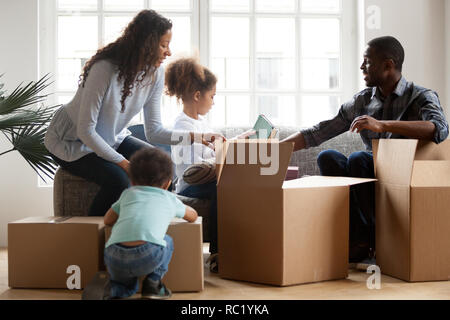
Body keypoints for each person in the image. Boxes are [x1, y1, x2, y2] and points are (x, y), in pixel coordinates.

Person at [281, 36, 449, 264]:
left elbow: (439, 129)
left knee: (360, 158)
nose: (362, 67)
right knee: (328, 156)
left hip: (402, 175)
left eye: (367, 61)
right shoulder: (363, 100)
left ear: (388, 65)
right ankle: (356, 237)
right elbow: (319, 132)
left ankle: (369, 238)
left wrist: (383, 125)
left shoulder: (421, 96)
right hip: (369, 170)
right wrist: (278, 149)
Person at [44, 10, 222, 217]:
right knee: (118, 180)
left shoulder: (155, 75)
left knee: (162, 167)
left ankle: (152, 230)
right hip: (71, 141)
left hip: (111, 137)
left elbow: (154, 131)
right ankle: (92, 241)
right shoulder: (104, 69)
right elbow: (86, 130)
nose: (169, 52)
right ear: (146, 44)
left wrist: (197, 137)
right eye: (164, 45)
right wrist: (125, 164)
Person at [165, 57, 252, 273]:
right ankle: (217, 252)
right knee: (221, 190)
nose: (213, 101)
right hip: (189, 183)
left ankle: (241, 246)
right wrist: (225, 148)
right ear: (197, 96)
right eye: (212, 96)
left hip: (205, 175)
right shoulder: (183, 126)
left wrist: (234, 142)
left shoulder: (201, 122)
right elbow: (196, 168)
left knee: (233, 186)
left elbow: (211, 152)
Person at [82, 147, 198, 300]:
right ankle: (153, 285)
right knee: (167, 240)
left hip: (113, 255)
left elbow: (107, 220)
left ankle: (109, 291)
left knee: (126, 288)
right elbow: (193, 216)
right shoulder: (168, 198)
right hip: (147, 255)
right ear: (167, 183)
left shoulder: (127, 194)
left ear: (131, 180)